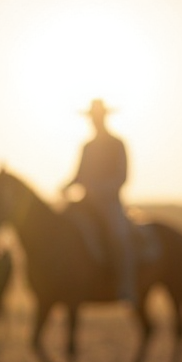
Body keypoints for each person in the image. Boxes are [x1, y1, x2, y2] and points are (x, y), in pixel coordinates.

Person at [62, 99, 135, 302]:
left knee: (118, 235)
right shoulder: (87, 146)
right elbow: (78, 175)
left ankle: (125, 284)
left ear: (104, 117)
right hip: (85, 202)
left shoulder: (117, 144)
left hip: (110, 203)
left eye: (98, 117)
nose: (94, 121)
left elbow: (122, 176)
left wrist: (99, 190)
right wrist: (66, 187)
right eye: (92, 118)